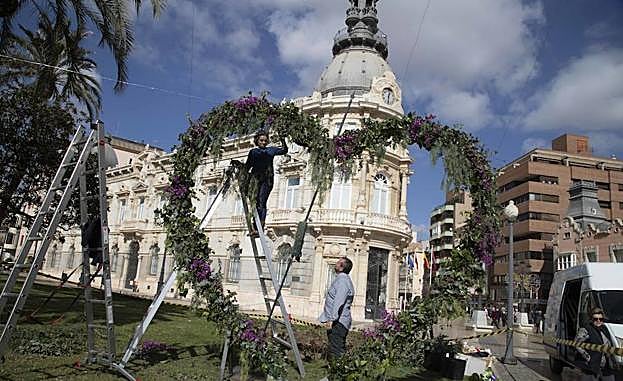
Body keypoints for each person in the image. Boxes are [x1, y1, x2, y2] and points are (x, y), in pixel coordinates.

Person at [245, 130, 288, 234]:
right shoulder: (253, 152)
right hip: (256, 179)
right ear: (257, 141)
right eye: (261, 140)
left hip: (267, 180)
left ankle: (261, 225)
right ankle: (255, 226)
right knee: (254, 202)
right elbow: (248, 166)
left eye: (265, 140)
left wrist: (282, 138)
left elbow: (284, 150)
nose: (263, 142)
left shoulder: (271, 150)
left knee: (261, 201)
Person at [319, 257, 355, 360]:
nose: (336, 263)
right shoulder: (342, 279)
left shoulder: (342, 280)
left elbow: (339, 301)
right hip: (339, 321)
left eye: (338, 262)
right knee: (336, 348)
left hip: (338, 322)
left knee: (336, 351)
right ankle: (337, 372)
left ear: (341, 267)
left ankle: (338, 373)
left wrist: (332, 319)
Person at [574, 307, 616, 381]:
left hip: (606, 366)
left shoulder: (604, 328)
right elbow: (577, 344)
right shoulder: (585, 329)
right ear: (591, 319)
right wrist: (588, 357)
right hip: (591, 368)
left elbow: (609, 344)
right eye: (595, 319)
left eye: (601, 319)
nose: (598, 321)